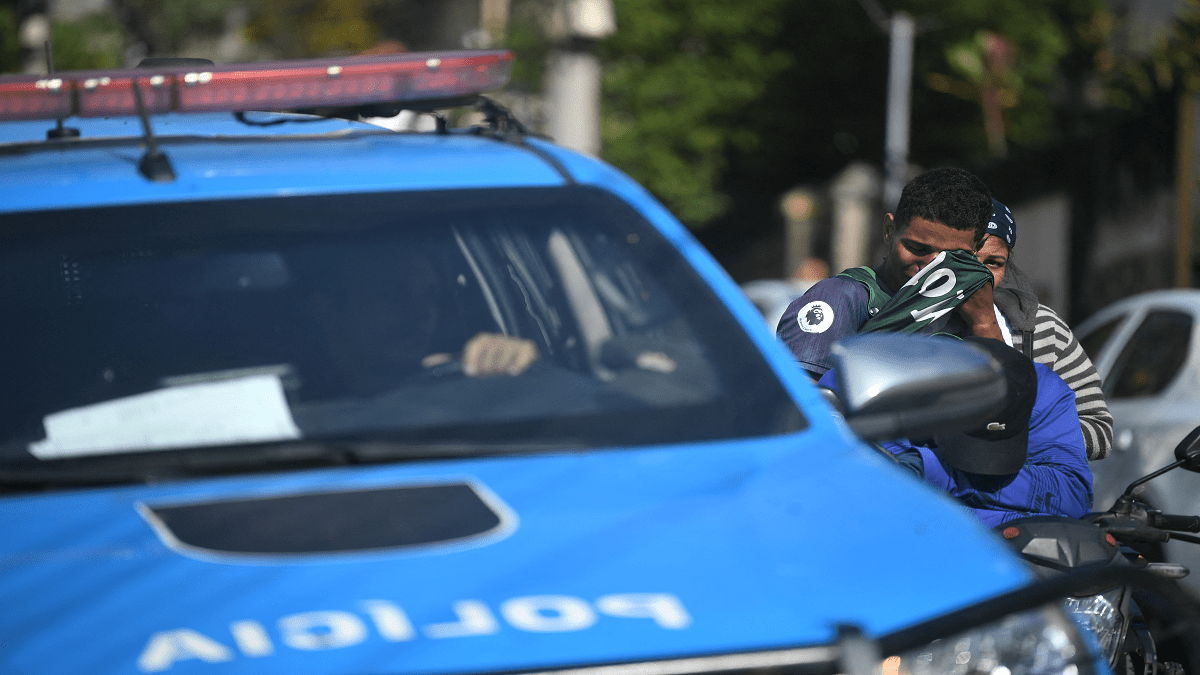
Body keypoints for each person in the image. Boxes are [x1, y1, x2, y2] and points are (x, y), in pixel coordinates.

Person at [823, 336, 1093, 528]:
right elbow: (860, 499)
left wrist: (935, 470)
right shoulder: (867, 384)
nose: (984, 468)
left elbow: (1073, 496)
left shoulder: (1044, 390)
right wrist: (1014, 514)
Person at [777, 166, 1001, 379]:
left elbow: (1011, 403)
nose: (931, 266)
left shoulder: (978, 303)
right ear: (889, 231)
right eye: (917, 248)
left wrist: (984, 323)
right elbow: (804, 404)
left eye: (951, 257)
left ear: (976, 249)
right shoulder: (841, 298)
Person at [977, 199, 1113, 461]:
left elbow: (1099, 430)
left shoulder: (1041, 329)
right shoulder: (922, 324)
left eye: (994, 262)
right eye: (968, 260)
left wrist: (1020, 437)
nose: (979, 275)